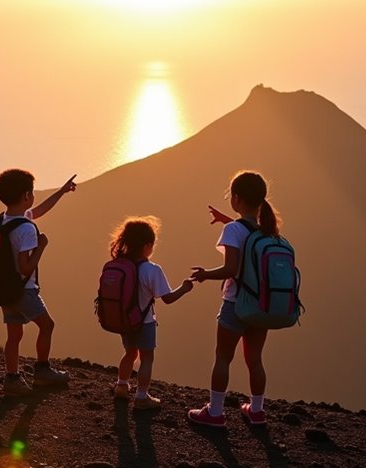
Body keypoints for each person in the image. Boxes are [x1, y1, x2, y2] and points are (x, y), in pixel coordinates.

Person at [187, 170, 281, 426]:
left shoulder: (233, 230)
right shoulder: (267, 231)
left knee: (223, 357)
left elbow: (231, 269)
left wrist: (206, 274)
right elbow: (248, 235)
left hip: (235, 304)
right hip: (261, 306)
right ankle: (257, 411)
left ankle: (215, 412)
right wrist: (225, 220)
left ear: (237, 199)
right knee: (255, 360)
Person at [0, 169, 77, 397]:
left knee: (14, 335)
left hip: (5, 289)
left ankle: (11, 378)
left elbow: (38, 211)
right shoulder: (27, 229)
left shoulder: (4, 220)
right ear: (26, 196)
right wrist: (41, 246)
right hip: (24, 290)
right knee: (47, 325)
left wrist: (61, 192)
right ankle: (42, 370)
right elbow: (26, 267)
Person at [108, 217, 193, 410]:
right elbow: (168, 298)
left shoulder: (120, 265)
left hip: (125, 320)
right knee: (147, 358)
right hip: (144, 321)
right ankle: (141, 396)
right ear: (147, 245)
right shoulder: (151, 269)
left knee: (129, 353)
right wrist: (184, 288)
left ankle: (121, 386)